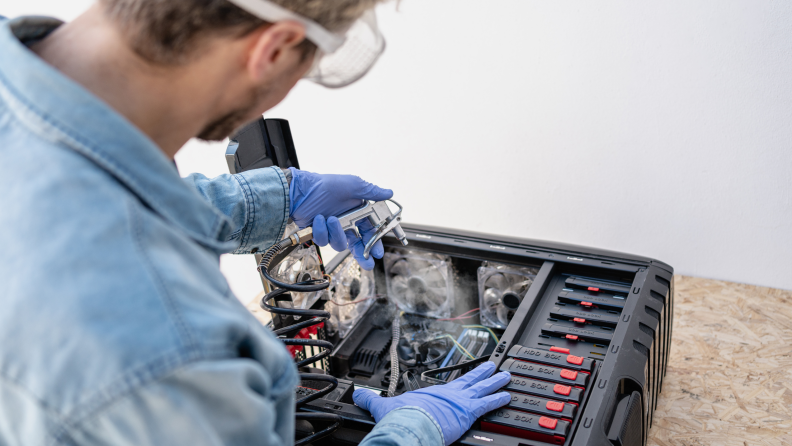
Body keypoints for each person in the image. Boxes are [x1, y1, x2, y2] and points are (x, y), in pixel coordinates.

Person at [0, 1, 511, 445]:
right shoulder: (174, 353)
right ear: (271, 50)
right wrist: (412, 429)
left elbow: (89, 186)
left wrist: (282, 197)